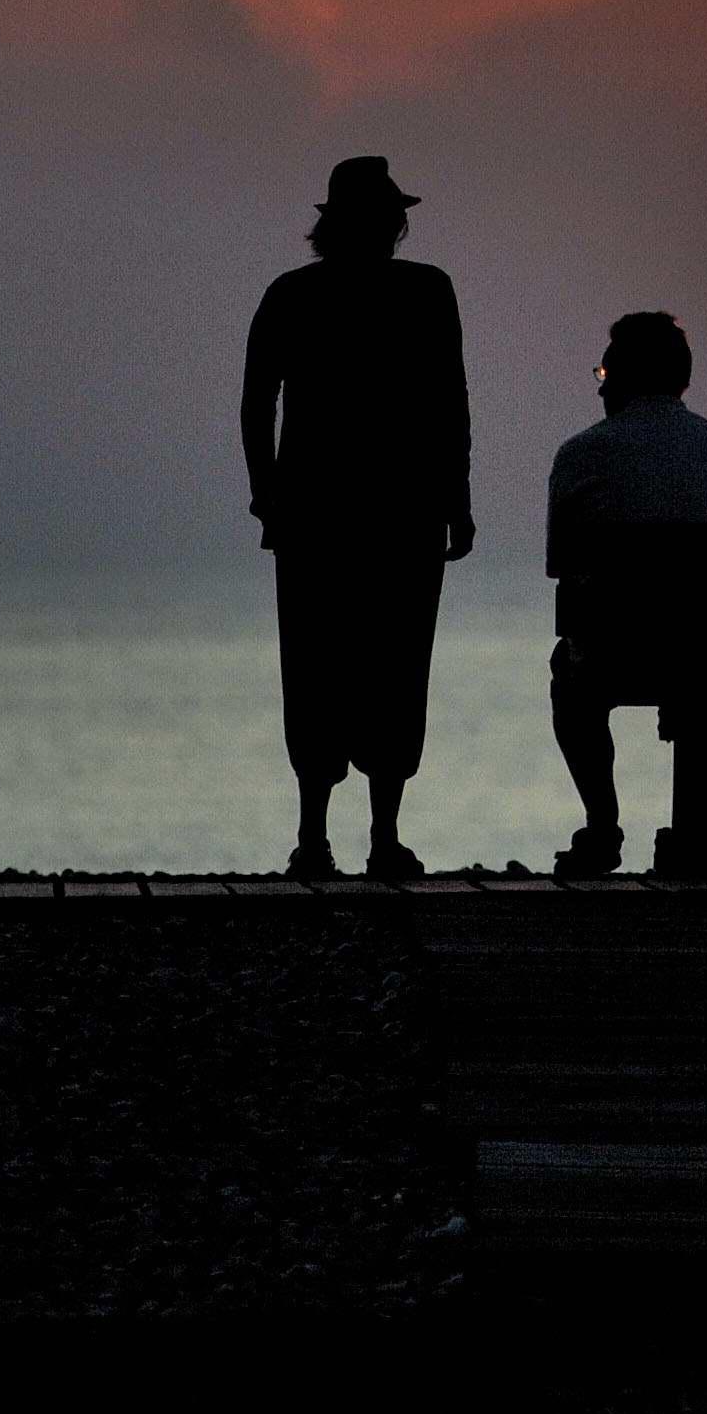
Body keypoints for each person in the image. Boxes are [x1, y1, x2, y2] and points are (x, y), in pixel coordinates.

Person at [240, 155, 473, 882]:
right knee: (396, 667)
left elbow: (256, 405)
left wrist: (267, 493)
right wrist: (455, 501)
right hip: (402, 514)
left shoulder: (292, 294)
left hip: (315, 513)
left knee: (315, 667)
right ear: (393, 224)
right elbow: (448, 406)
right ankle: (382, 836)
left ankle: (315, 837)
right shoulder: (427, 291)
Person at [544, 310, 707, 881]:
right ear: (681, 379)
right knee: (705, 673)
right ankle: (699, 827)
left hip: (613, 654)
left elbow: (560, 563)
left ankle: (601, 825)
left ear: (616, 378)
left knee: (570, 678)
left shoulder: (580, 455)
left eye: (602, 375)